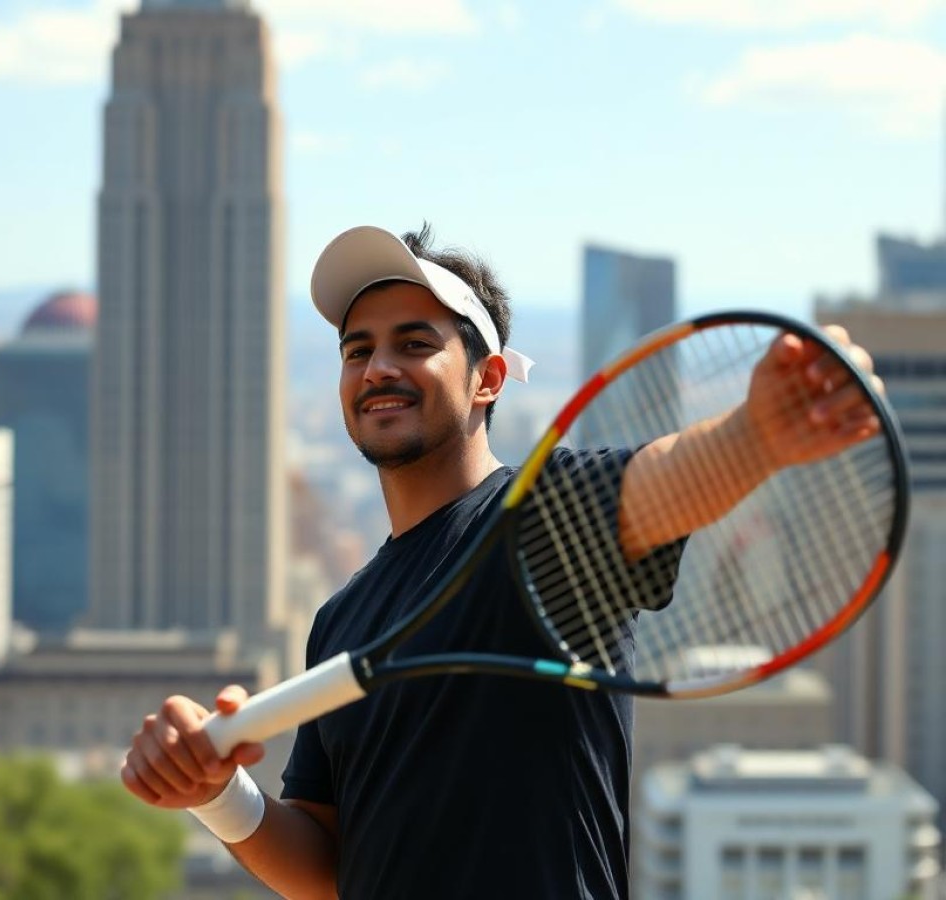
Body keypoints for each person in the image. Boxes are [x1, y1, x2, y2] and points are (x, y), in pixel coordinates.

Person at [121, 223, 882, 899]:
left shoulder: (537, 522)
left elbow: (666, 482)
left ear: (487, 381)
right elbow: (328, 869)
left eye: (415, 344)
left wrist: (761, 434)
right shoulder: (338, 620)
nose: (378, 366)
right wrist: (216, 792)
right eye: (359, 350)